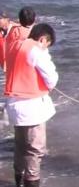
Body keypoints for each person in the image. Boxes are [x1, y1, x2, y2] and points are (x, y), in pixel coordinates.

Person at [4, 23, 58, 187]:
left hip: (14, 105)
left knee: (20, 146)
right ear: (43, 39)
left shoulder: (14, 45)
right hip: (31, 108)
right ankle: (31, 183)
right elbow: (51, 78)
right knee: (34, 150)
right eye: (47, 44)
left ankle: (18, 180)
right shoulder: (36, 50)